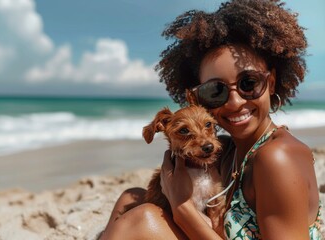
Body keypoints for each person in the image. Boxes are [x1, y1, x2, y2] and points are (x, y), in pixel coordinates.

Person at [100, 0, 323, 239]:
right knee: (130, 196)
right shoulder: (228, 150)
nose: (235, 102)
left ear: (270, 83)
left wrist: (182, 207)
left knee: (142, 219)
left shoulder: (278, 157)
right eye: (215, 91)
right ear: (199, 99)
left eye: (249, 83)